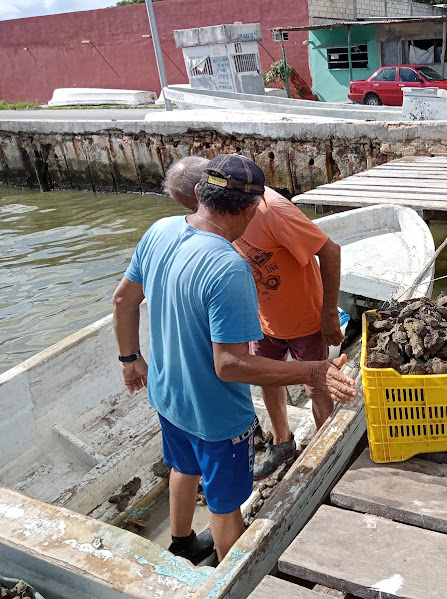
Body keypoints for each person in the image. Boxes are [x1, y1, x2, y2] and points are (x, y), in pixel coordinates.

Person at [113, 154, 357, 563]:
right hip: (216, 415)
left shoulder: (159, 230)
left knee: (183, 468)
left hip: (167, 394)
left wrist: (130, 358)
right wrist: (315, 370)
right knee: (225, 506)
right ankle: (232, 578)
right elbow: (229, 365)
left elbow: (123, 300)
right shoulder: (228, 267)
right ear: (249, 209)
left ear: (198, 193)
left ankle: (182, 543)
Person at [234, 189, 344, 480]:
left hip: (306, 320)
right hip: (261, 319)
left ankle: (325, 446)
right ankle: (283, 441)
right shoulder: (218, 213)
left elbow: (331, 250)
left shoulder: (274, 211)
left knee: (316, 385)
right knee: (267, 378)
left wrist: (329, 314)